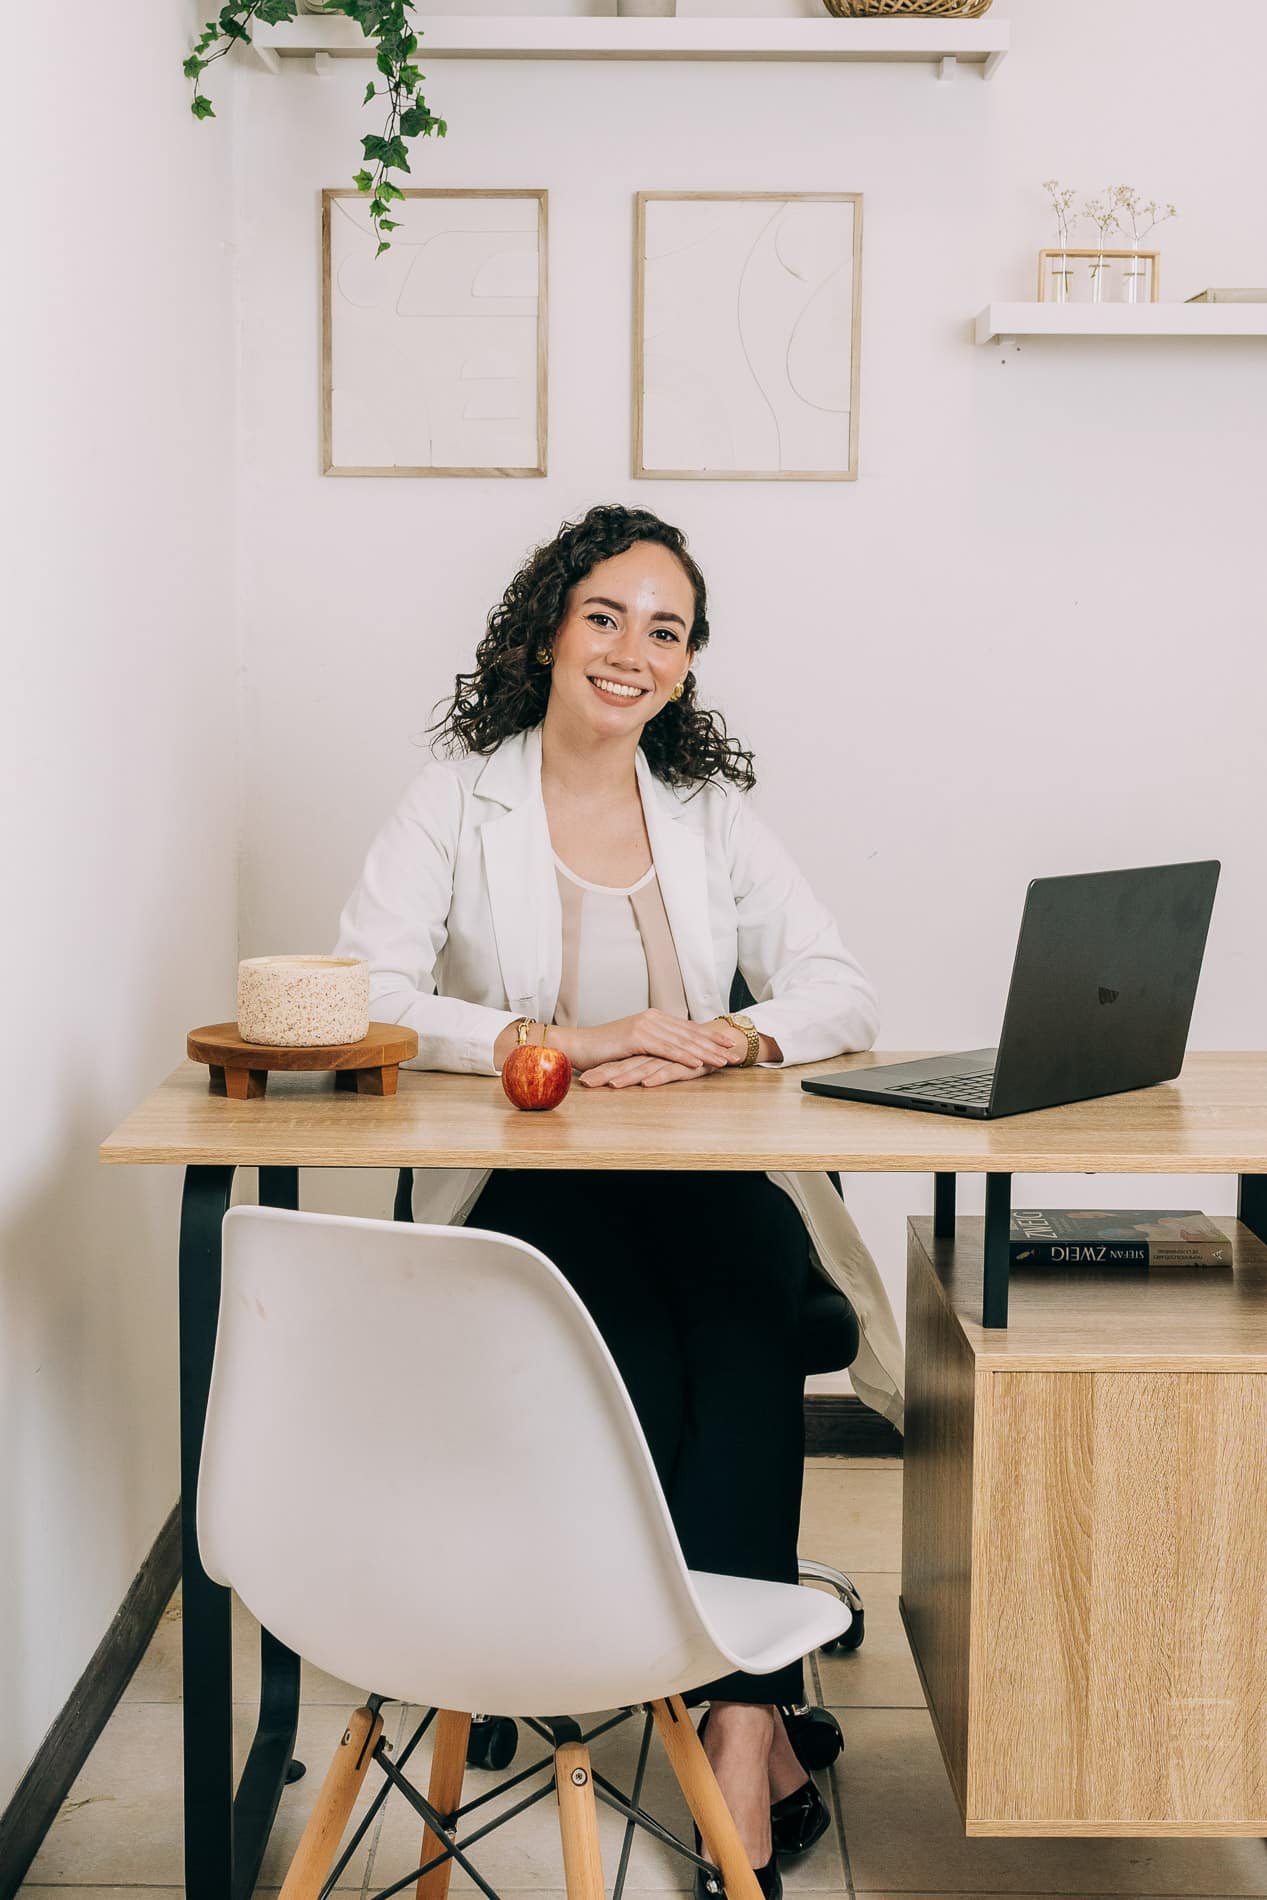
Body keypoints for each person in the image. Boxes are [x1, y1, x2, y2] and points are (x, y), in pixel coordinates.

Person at [335, 502, 904, 1899]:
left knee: (759, 1321)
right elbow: (369, 993)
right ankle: (739, 1707)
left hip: (697, 1166)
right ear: (547, 632)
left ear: (689, 663)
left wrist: (742, 1037)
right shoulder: (456, 794)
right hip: (531, 1179)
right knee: (633, 1352)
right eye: (605, 616)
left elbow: (841, 984)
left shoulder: (708, 811)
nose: (632, 650)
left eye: (667, 629)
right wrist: (563, 1043)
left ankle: (735, 1717)